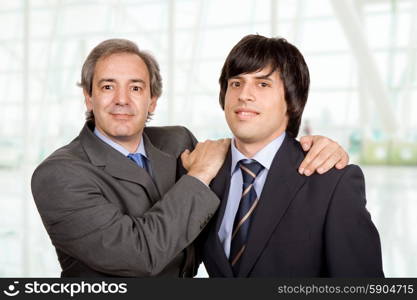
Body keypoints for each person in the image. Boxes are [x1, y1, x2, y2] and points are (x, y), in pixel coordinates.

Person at [31, 38, 349, 277]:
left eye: (137, 88)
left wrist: (314, 147)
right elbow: (139, 255)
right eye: (107, 87)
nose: (122, 101)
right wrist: (198, 177)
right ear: (88, 96)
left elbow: (254, 165)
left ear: (153, 100)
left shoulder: (177, 142)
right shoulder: (59, 175)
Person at [201, 34, 384, 277]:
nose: (244, 94)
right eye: (236, 83)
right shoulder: (203, 172)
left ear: (292, 99)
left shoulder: (331, 182)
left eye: (263, 84)